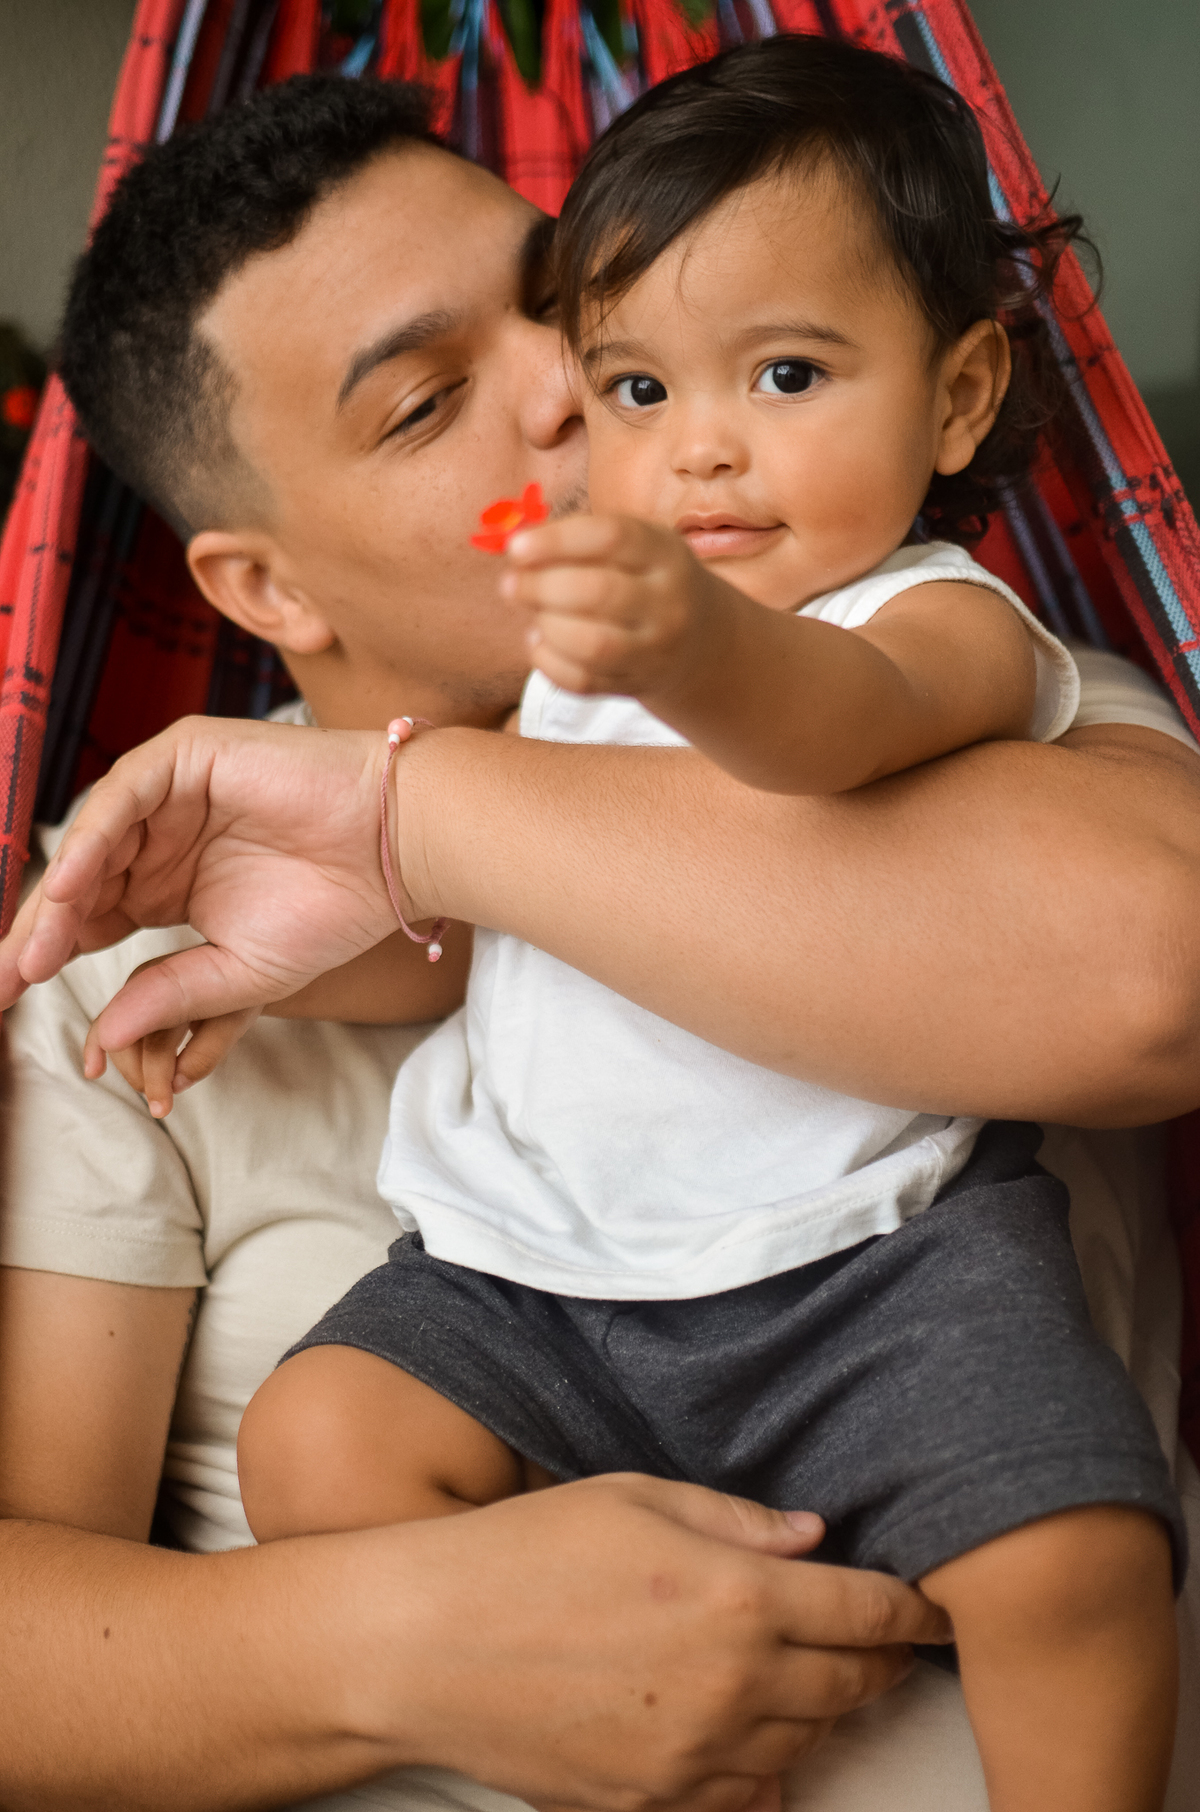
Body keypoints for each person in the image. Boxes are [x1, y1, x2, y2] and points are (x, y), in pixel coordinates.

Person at [2, 67, 1200, 1812]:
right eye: (429, 405)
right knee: (326, 1432)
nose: (584, 399)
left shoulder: (982, 689)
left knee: (1070, 1559)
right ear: (266, 594)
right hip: (522, 1332)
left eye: (569, 311)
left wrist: (448, 803)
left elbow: (1143, 976)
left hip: (880, 1305)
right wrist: (407, 1643)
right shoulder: (116, 959)